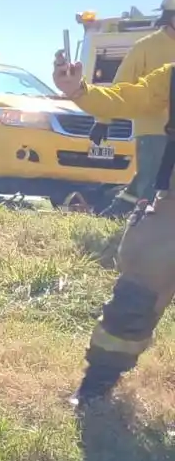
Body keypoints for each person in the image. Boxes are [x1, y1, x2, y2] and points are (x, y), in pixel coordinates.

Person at [52, 51, 175, 407]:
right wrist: (78, 90)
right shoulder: (171, 76)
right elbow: (126, 98)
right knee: (137, 294)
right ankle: (96, 386)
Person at [99, 0, 175, 208]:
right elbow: (121, 85)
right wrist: (103, 120)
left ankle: (117, 212)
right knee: (151, 183)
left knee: (154, 183)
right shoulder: (146, 47)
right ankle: (139, 221)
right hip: (153, 130)